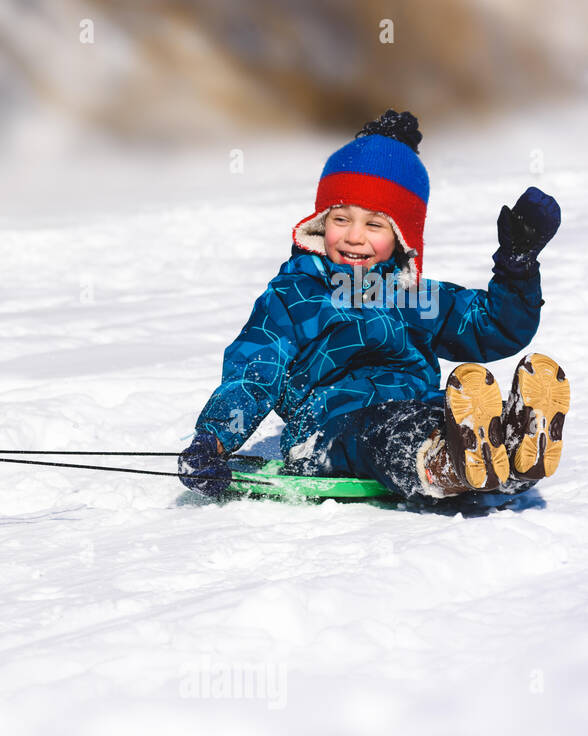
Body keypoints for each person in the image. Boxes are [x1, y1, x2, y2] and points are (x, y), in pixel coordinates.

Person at [178, 109, 568, 500]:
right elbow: (254, 372)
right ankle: (445, 463)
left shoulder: (414, 294)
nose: (353, 237)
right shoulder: (295, 295)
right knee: (389, 431)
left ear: (401, 237)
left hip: (419, 408)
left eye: (374, 225)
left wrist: (516, 268)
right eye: (341, 219)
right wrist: (213, 440)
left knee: (447, 415)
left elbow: (492, 327)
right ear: (320, 222)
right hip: (328, 430)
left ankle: (514, 444)